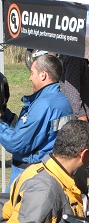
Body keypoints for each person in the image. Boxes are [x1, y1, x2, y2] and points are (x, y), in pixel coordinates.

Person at [0, 54, 75, 190]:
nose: (29, 78)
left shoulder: (44, 104)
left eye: (32, 73)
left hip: (31, 179)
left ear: (43, 75)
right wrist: (6, 116)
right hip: (49, 172)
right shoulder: (60, 99)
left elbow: (16, 143)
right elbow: (30, 129)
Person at [60, 55, 89, 122]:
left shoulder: (74, 56)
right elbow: (72, 89)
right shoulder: (75, 58)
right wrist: (80, 114)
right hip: (78, 117)